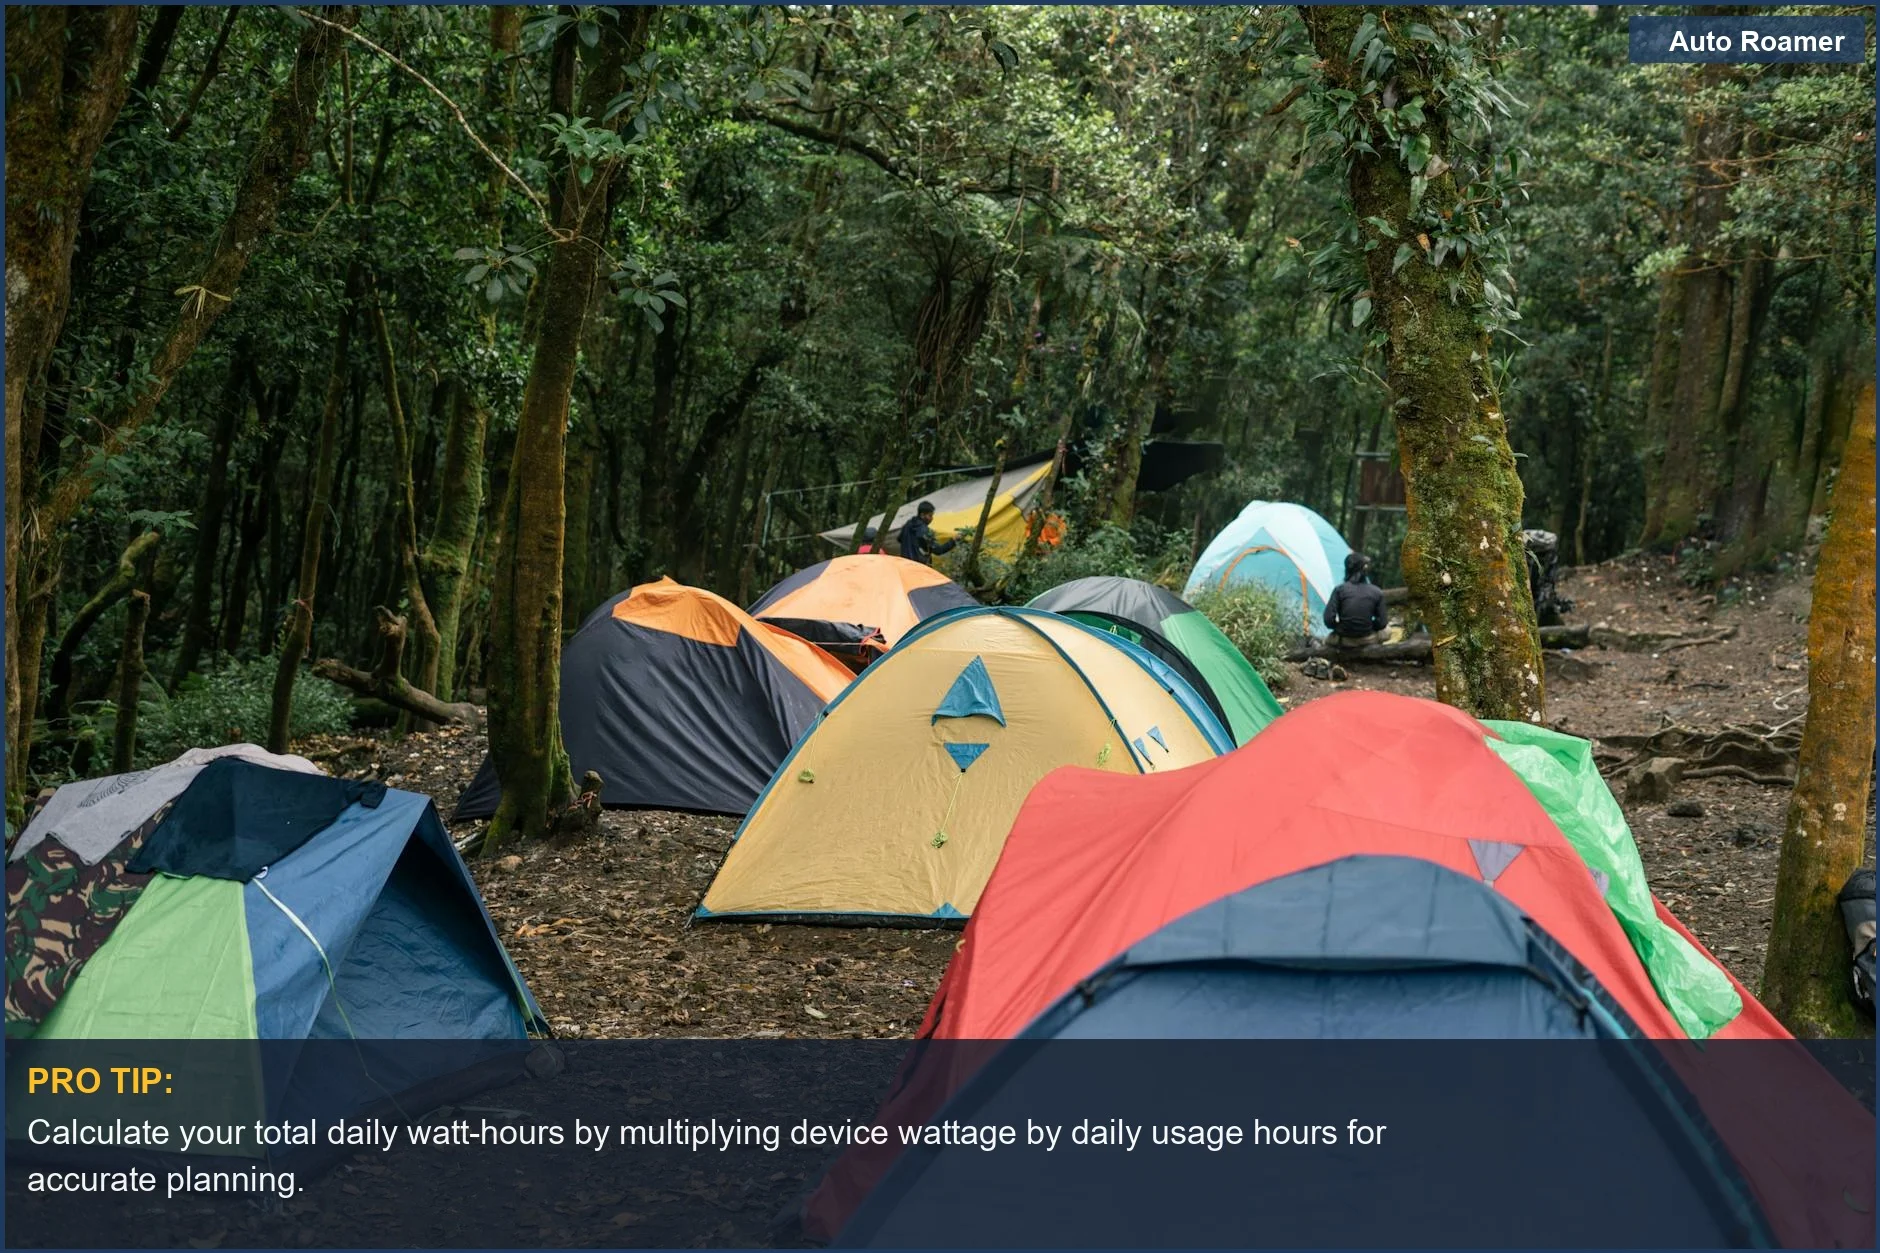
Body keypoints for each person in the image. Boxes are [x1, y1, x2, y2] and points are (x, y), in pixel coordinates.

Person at [1323, 552, 1390, 646]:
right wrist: (1370, 626)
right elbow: (1383, 622)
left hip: (1344, 640)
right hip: (1368, 638)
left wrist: (1340, 628)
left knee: (1326, 639)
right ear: (1364, 570)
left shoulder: (1339, 590)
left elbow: (1328, 619)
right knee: (1388, 631)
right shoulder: (1376, 591)